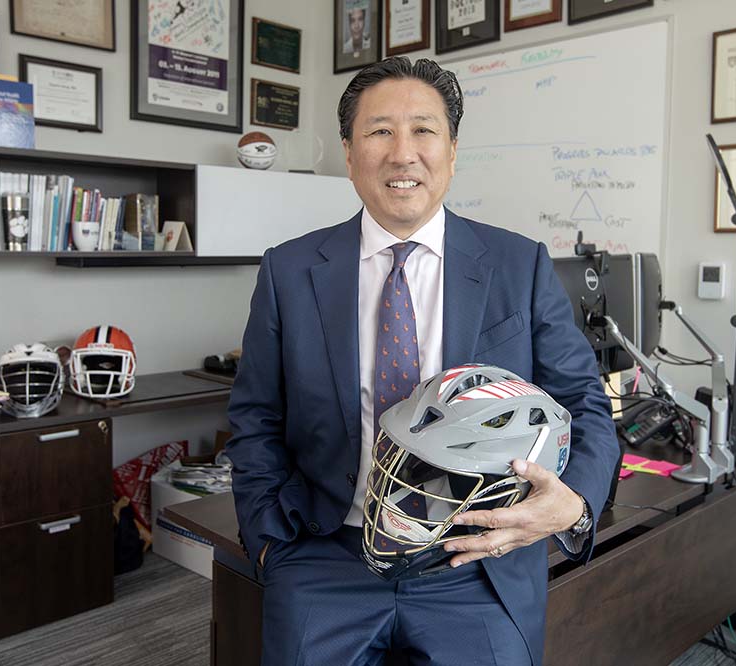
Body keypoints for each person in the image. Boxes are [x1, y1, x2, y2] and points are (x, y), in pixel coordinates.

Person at [226, 56, 620, 666]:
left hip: (475, 563)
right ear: (349, 152)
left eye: (424, 130)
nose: (402, 153)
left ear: (453, 151)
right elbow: (255, 418)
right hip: (326, 558)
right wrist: (268, 543)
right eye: (379, 131)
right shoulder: (288, 270)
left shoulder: (519, 265)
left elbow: (585, 405)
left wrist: (578, 502)